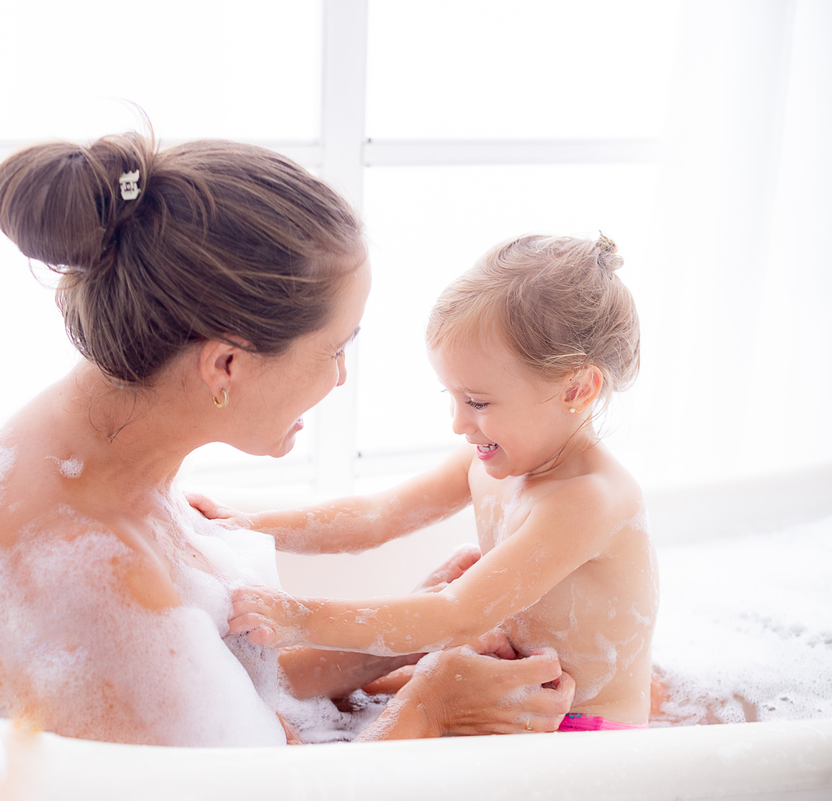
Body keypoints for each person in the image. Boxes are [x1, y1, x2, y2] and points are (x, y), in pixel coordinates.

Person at [0, 129, 574, 747]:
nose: (342, 376)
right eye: (334, 348)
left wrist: (408, 629)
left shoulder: (98, 442)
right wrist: (434, 705)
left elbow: (232, 681)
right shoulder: (96, 595)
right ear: (226, 365)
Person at [220, 234, 656, 732]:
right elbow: (376, 517)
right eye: (451, 396)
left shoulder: (588, 499)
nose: (457, 423)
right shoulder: (493, 459)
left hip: (584, 735)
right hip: (514, 695)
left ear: (577, 389)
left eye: (478, 402)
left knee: (330, 729)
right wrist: (246, 526)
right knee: (306, 709)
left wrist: (298, 616)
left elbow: (457, 614)